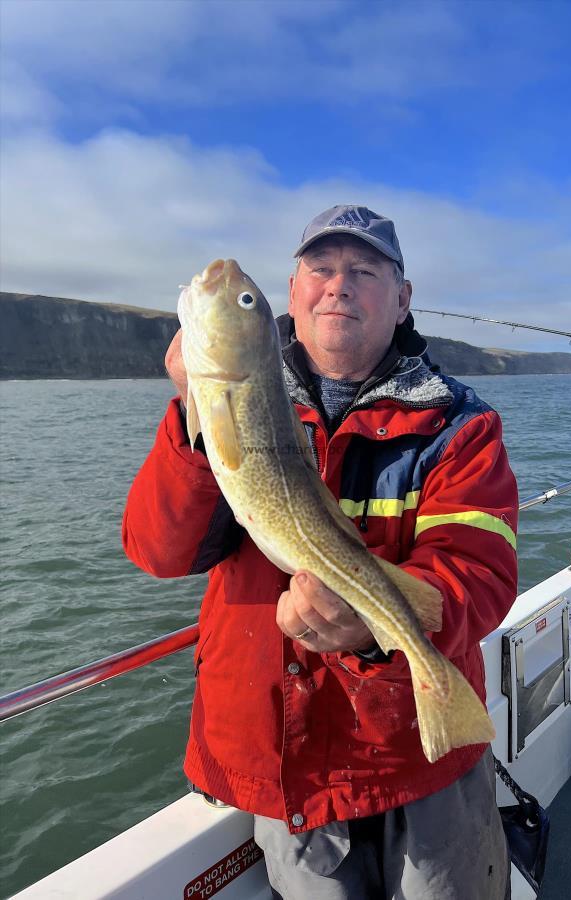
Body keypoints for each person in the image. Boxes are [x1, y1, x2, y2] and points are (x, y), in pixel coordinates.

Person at [122, 205, 518, 899]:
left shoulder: (461, 426)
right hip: (284, 758)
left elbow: (477, 572)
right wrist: (193, 408)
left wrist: (373, 628)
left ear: (401, 301)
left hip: (416, 753)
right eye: (320, 269)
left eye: (364, 272)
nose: (338, 285)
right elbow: (161, 553)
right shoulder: (223, 405)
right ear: (295, 292)